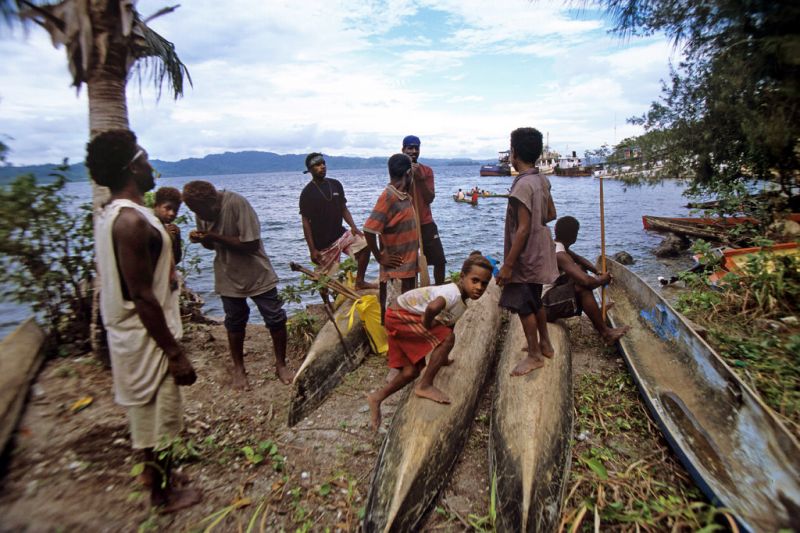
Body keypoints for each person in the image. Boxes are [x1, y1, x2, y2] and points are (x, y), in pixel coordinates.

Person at [86, 129, 201, 513]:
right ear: (133, 168)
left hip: (134, 333)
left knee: (147, 412)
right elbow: (141, 295)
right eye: (146, 159)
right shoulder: (131, 222)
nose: (151, 166)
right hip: (145, 335)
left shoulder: (114, 214)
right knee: (157, 415)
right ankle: (162, 495)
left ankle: (156, 477)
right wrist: (174, 352)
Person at [182, 180, 293, 388]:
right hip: (228, 273)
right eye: (194, 211)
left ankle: (281, 364)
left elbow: (250, 244)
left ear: (211, 203)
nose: (199, 216)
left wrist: (213, 235)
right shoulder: (201, 210)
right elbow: (211, 246)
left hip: (257, 271)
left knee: (275, 317)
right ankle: (239, 368)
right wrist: (204, 239)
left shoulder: (237, 203)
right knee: (234, 321)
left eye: (200, 211)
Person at [366, 252, 493, 430]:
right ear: (462, 276)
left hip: (397, 314)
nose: (479, 287)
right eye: (475, 281)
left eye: (484, 284)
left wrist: (443, 357)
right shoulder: (452, 294)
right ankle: (425, 385)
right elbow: (433, 307)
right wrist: (427, 324)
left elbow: (449, 323)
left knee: (410, 372)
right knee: (449, 338)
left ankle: (377, 397)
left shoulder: (461, 299)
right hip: (400, 316)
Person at [496, 127, 559, 377]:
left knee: (523, 304)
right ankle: (545, 343)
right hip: (540, 250)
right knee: (535, 298)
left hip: (524, 254)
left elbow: (522, 230)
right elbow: (551, 214)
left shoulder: (522, 186)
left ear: (514, 153)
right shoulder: (542, 180)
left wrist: (508, 265)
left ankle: (534, 355)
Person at [543, 216, 630, 343]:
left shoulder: (557, 245)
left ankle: (595, 313)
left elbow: (579, 259)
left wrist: (597, 271)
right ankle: (606, 333)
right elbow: (587, 282)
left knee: (580, 269)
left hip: (546, 296)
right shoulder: (559, 254)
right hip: (543, 307)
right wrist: (602, 280)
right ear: (573, 236)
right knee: (583, 286)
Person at [299, 153, 374, 292]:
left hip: (340, 235)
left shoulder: (335, 184)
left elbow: (343, 208)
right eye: (317, 165)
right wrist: (312, 249)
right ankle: (327, 302)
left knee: (365, 244)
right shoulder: (307, 193)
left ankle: (360, 282)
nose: (322, 166)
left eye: (323, 163)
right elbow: (305, 222)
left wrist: (353, 227)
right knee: (324, 279)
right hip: (323, 244)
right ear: (310, 170)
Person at [363, 154, 418, 321]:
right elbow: (369, 229)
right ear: (408, 173)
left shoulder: (404, 196)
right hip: (396, 272)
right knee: (394, 315)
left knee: (407, 313)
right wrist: (380, 257)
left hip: (409, 268)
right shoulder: (388, 197)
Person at [402, 135, 448, 285]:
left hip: (426, 222)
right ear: (403, 150)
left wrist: (419, 178)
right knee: (409, 264)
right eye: (410, 148)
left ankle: (439, 288)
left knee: (439, 260)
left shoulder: (427, 171)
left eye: (416, 148)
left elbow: (429, 198)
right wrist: (408, 175)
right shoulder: (399, 170)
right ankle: (411, 292)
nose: (414, 151)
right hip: (407, 224)